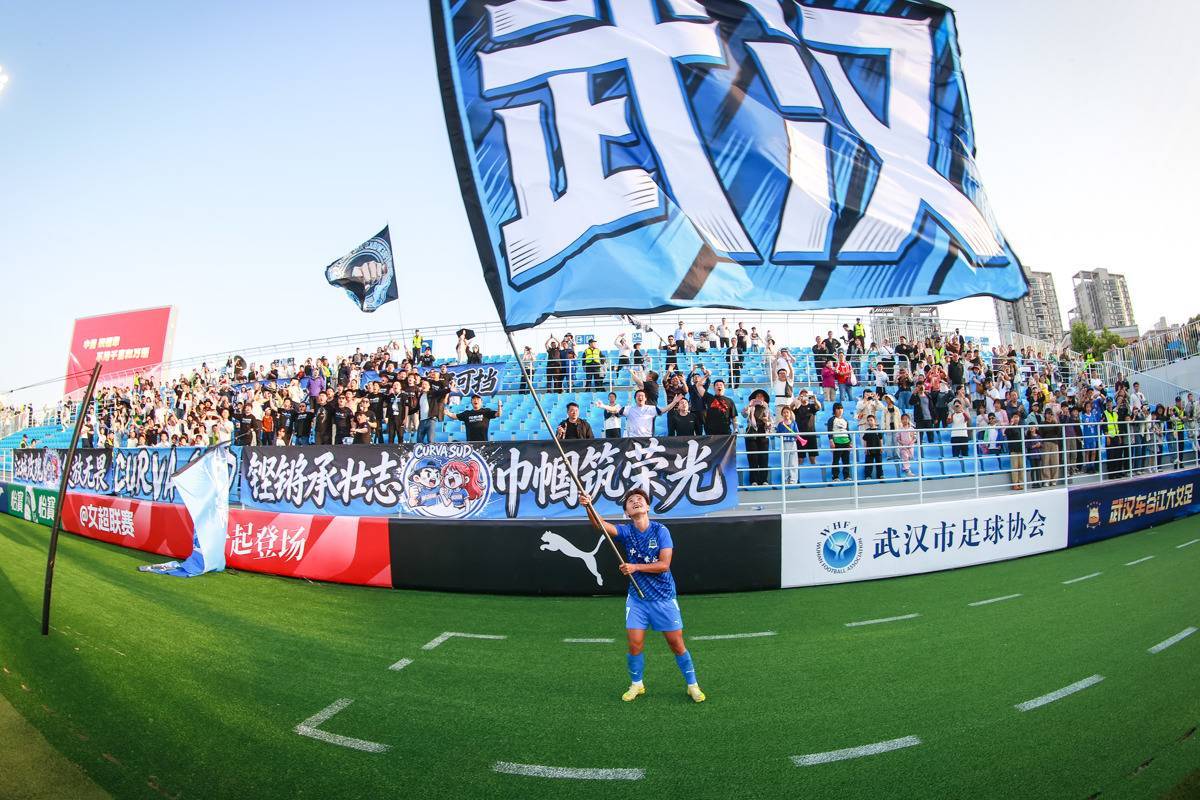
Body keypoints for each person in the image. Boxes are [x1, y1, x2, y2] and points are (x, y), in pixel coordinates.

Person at [579, 488, 706, 704]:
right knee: (635, 644)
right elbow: (600, 525)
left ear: (647, 507)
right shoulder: (627, 531)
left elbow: (664, 565)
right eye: (631, 501)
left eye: (640, 499)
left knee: (676, 644)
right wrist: (588, 506)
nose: (636, 501)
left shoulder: (660, 531)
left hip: (663, 598)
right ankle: (637, 684)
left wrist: (635, 567)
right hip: (637, 599)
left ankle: (692, 685)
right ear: (627, 512)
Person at [743, 389, 772, 486]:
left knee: (764, 458)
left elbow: (771, 425)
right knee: (753, 458)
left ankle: (764, 480)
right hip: (751, 434)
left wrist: (767, 422)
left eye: (761, 396)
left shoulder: (767, 409)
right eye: (757, 396)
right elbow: (743, 414)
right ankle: (754, 480)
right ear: (754, 398)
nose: (759, 398)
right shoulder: (750, 407)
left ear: (764, 398)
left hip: (763, 434)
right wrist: (749, 407)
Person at [827, 402, 851, 481]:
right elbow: (829, 431)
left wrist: (850, 441)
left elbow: (847, 431)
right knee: (836, 460)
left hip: (846, 441)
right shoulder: (832, 419)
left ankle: (846, 476)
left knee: (846, 460)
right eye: (838, 409)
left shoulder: (845, 420)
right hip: (837, 442)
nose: (840, 410)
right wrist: (831, 441)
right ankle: (835, 476)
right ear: (834, 410)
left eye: (841, 408)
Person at [776, 405, 800, 485]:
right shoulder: (780, 424)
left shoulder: (794, 423)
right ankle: (785, 479)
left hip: (793, 443)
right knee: (785, 462)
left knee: (793, 462)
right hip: (784, 444)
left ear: (790, 413)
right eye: (784, 412)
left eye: (787, 412)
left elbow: (797, 433)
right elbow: (778, 434)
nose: (786, 414)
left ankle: (793, 479)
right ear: (782, 414)